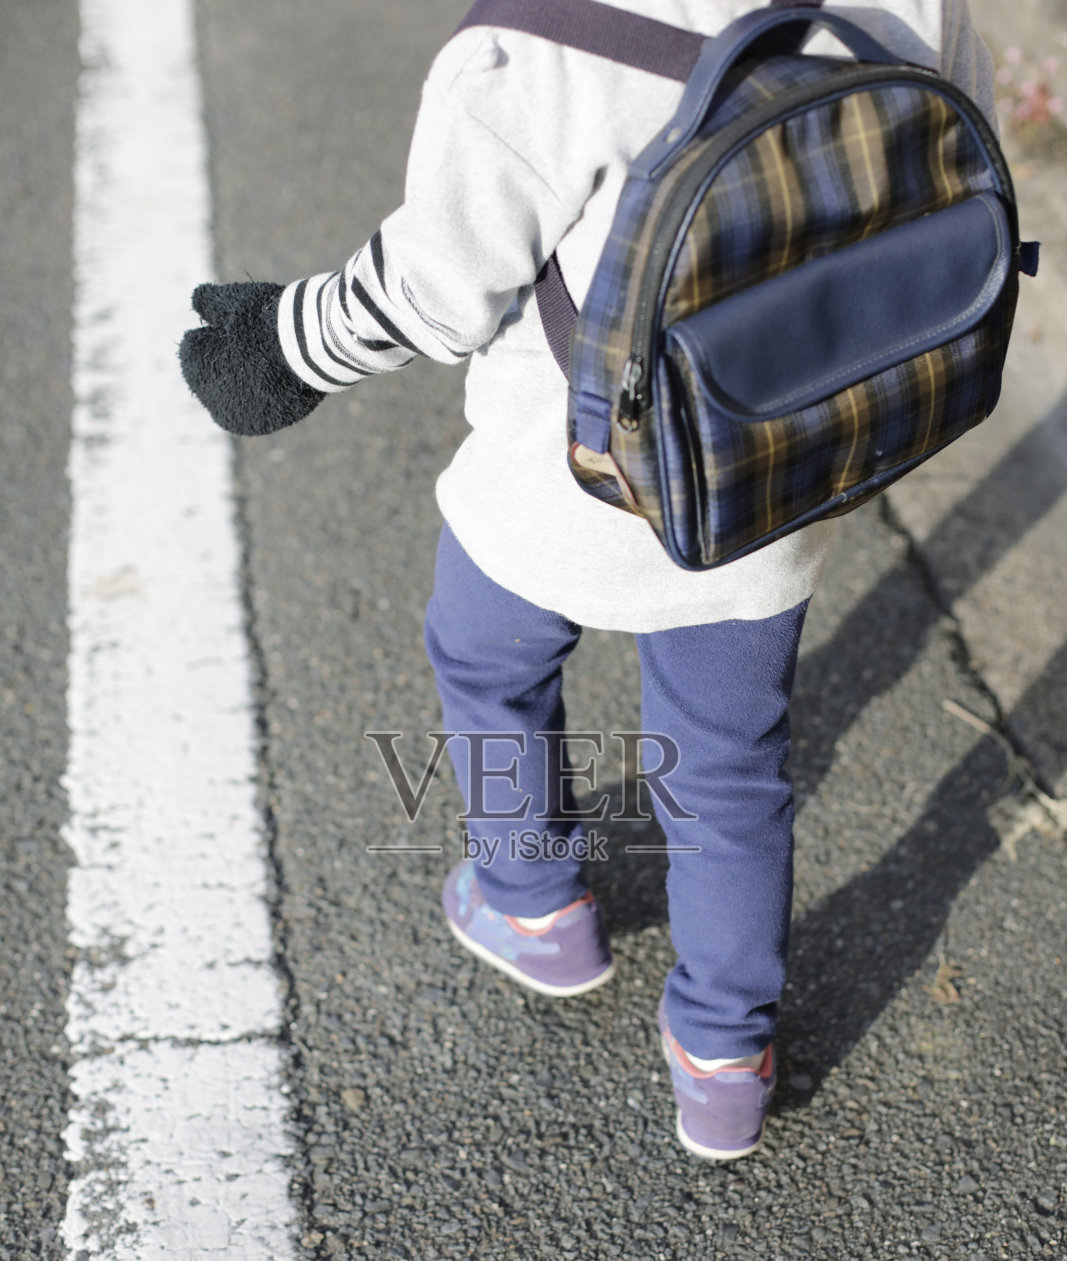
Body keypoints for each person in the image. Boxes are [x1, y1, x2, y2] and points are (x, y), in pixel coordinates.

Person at [180, 0, 998, 1160]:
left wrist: (278, 347)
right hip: (767, 475)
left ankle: (534, 906)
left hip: (561, 485)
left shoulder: (534, 46)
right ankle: (723, 1059)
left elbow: (434, 285)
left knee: (485, 662)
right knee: (726, 767)